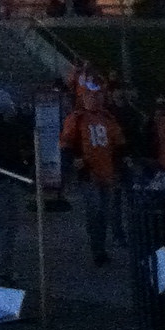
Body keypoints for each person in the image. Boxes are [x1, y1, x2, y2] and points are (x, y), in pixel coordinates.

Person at [61, 97, 125, 265]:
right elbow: (66, 143)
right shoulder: (77, 118)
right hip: (89, 173)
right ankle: (97, 249)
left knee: (103, 213)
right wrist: (74, 160)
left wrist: (118, 167)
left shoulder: (108, 118)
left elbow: (118, 144)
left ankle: (101, 247)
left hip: (106, 171)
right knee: (95, 212)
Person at [0, 86, 33, 283]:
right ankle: (2, 269)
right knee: (7, 225)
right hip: (4, 177)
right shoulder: (2, 128)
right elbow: (9, 152)